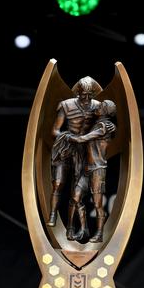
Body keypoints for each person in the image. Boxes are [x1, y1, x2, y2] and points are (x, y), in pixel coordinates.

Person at [47, 76, 102, 242]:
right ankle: (53, 213)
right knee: (58, 182)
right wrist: (70, 137)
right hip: (66, 146)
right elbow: (55, 130)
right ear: (77, 92)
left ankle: (73, 228)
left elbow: (103, 128)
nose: (85, 98)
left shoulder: (98, 107)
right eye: (82, 94)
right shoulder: (66, 105)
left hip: (85, 150)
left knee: (77, 193)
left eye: (89, 95)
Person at [69, 99, 117, 243]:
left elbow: (85, 138)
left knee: (97, 204)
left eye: (101, 106)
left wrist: (71, 137)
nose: (98, 107)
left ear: (106, 111)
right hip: (87, 169)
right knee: (76, 197)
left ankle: (100, 233)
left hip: (97, 169)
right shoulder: (97, 124)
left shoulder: (106, 126)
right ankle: (84, 229)